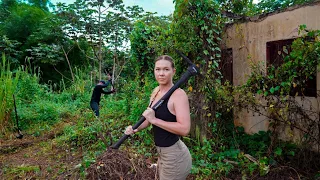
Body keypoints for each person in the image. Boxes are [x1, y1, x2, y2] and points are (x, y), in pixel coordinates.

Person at [124, 55, 192, 180]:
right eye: (158, 69)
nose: (161, 73)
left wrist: (155, 120)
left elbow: (184, 129)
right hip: (162, 155)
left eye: (166, 69)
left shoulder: (179, 95)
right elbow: (148, 119)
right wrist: (135, 128)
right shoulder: (156, 91)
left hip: (175, 157)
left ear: (173, 71)